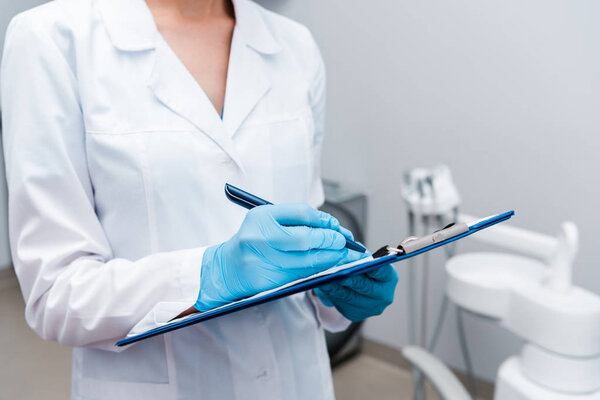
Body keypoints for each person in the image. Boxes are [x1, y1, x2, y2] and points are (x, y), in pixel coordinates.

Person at [0, 0, 398, 398]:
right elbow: (55, 293)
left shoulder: (296, 46)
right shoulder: (51, 39)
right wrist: (209, 274)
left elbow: (304, 235)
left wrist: (337, 287)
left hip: (297, 381)